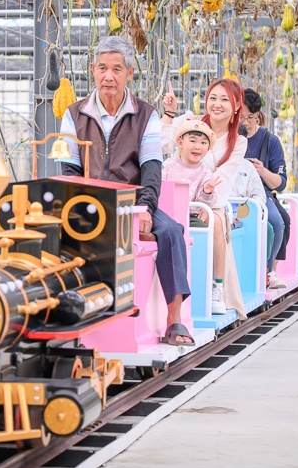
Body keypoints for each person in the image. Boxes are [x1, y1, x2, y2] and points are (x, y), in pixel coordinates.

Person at [56, 36, 195, 347]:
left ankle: (175, 320)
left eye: (117, 69)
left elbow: (151, 168)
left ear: (130, 72)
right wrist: (79, 209)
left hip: (133, 202)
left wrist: (146, 208)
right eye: (102, 68)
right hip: (88, 202)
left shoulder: (146, 115)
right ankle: (65, 315)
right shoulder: (73, 114)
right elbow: (69, 171)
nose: (109, 76)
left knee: (171, 231)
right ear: (92, 70)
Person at [160, 78, 248, 319]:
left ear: (237, 106)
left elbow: (222, 177)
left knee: (216, 221)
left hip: (210, 202)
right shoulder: (191, 123)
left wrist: (204, 197)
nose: (216, 104)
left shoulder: (238, 142)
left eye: (224, 100)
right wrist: (169, 113)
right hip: (177, 201)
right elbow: (164, 143)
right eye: (212, 98)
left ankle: (216, 287)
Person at [161, 119, 228, 314]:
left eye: (203, 143)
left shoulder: (205, 172)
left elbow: (204, 205)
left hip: (190, 216)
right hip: (168, 214)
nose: (198, 146)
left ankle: (216, 286)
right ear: (180, 142)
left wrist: (207, 191)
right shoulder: (168, 166)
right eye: (193, 140)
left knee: (210, 226)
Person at [239, 89, 289, 289]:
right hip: (231, 191)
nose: (246, 122)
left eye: (251, 117)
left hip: (260, 192)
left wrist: (261, 171)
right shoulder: (226, 136)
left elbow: (281, 182)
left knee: (277, 221)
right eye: (241, 117)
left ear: (258, 116)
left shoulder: (270, 140)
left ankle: (267, 271)